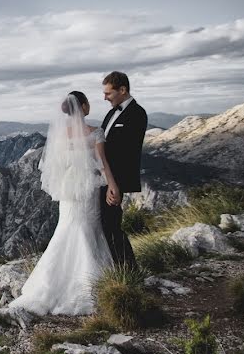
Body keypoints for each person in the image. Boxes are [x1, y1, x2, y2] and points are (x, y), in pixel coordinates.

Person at [8, 91, 118, 315]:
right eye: (87, 103)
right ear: (84, 107)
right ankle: (91, 284)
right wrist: (113, 186)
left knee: (66, 227)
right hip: (87, 187)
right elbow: (103, 163)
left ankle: (52, 283)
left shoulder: (60, 135)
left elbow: (55, 165)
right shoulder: (95, 132)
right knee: (88, 227)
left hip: (68, 189)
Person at [100, 71, 147, 270]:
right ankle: (115, 267)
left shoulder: (137, 114)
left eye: (108, 93)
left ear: (123, 90)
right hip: (104, 178)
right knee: (105, 225)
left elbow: (127, 154)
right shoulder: (112, 113)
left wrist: (114, 185)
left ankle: (128, 269)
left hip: (115, 181)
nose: (105, 98)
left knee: (111, 226)